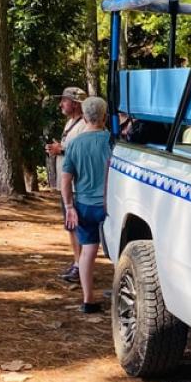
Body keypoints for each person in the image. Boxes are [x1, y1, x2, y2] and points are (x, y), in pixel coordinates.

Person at [61, 96, 112, 314]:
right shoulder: (111, 141)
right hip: (109, 206)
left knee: (87, 251)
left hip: (83, 204)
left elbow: (66, 179)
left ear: (85, 115)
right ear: (104, 116)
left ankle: (88, 299)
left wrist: (69, 206)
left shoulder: (75, 144)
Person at [45, 87, 88, 282]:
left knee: (76, 225)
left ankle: (81, 266)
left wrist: (60, 149)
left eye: (65, 100)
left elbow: (82, 151)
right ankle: (77, 263)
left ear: (76, 103)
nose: (61, 104)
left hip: (77, 186)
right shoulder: (70, 123)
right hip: (68, 184)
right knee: (70, 226)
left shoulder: (84, 124)